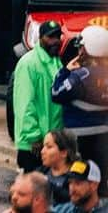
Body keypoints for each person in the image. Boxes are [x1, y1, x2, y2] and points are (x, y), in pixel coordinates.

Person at [53, 28, 108, 183]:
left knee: (80, 180)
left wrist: (64, 72)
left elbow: (56, 93)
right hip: (104, 136)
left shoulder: (81, 75)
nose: (79, 49)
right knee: (100, 179)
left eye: (81, 46)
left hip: (80, 139)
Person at [39, 128, 79, 200]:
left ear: (64, 153)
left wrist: (47, 185)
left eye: (49, 147)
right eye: (43, 146)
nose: (42, 151)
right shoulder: (41, 171)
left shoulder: (77, 177)